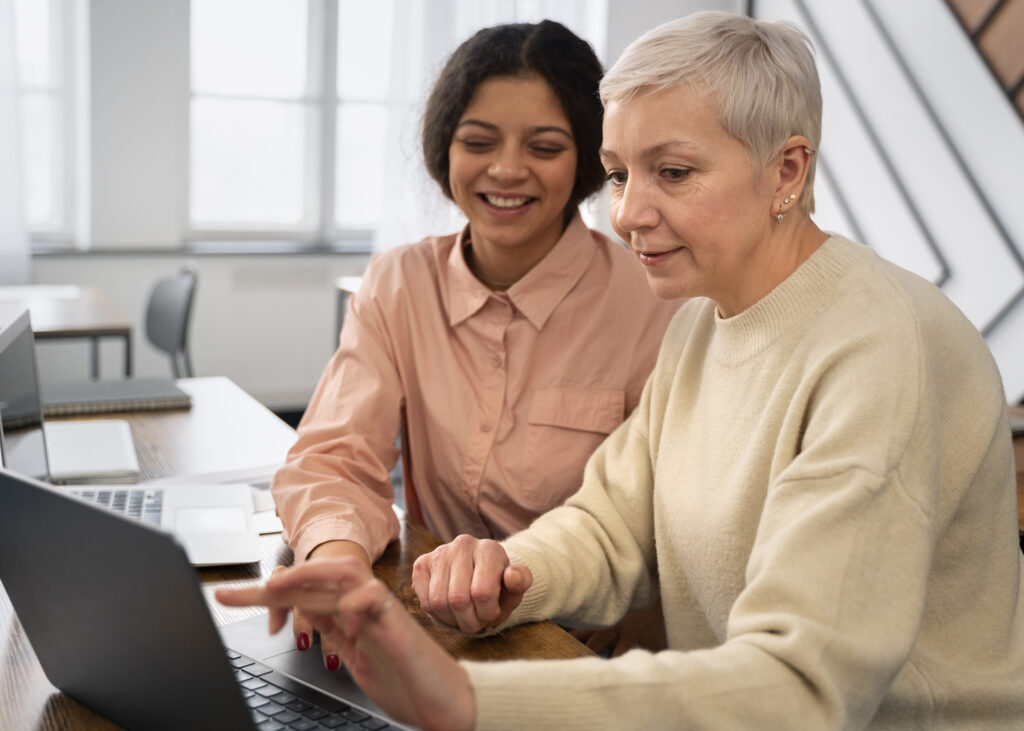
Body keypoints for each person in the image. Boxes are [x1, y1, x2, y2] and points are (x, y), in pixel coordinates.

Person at [219, 11, 1024, 729]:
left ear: (787, 172)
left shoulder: (878, 346)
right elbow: (612, 523)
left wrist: (471, 702)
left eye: (672, 173)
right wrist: (510, 574)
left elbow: (803, 687)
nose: (629, 213)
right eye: (619, 174)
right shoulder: (705, 323)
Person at [269, 19, 679, 669]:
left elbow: (672, 520)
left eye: (544, 147)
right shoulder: (400, 282)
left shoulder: (653, 300)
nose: (507, 170)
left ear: (588, 161)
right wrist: (336, 562)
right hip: (437, 632)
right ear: (445, 149)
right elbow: (336, 456)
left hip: (579, 649)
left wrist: (642, 624)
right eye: (478, 141)